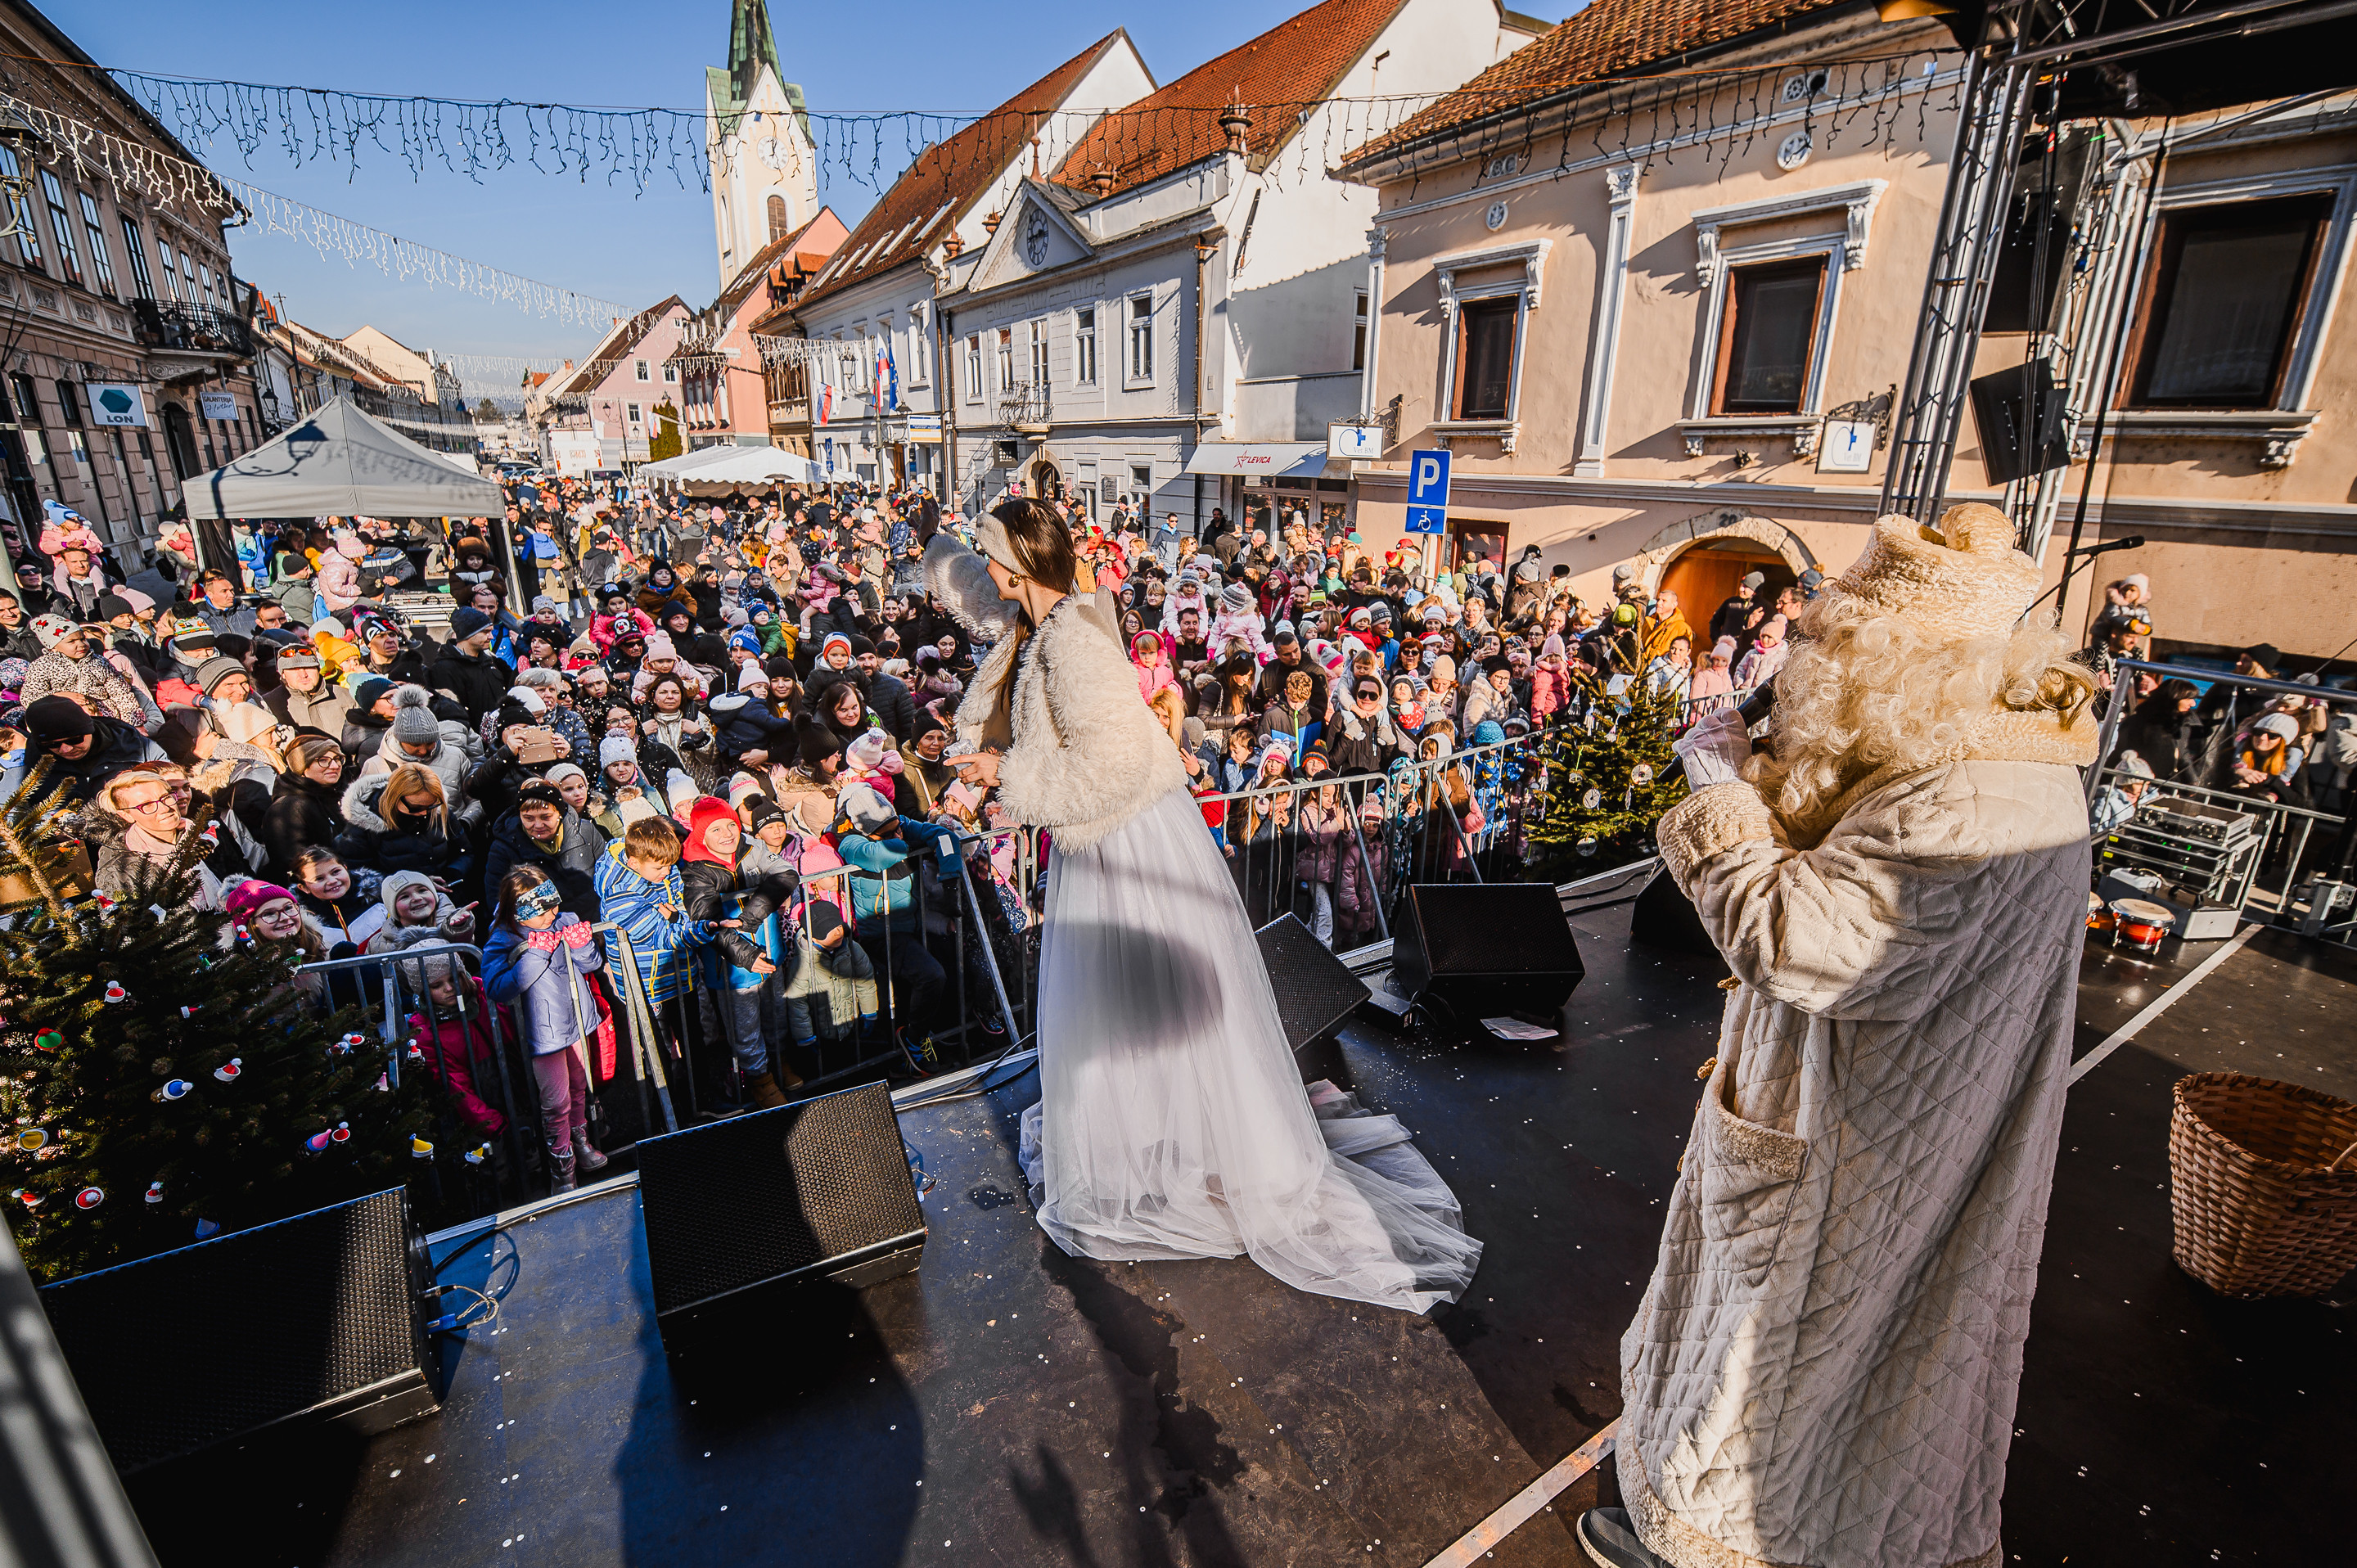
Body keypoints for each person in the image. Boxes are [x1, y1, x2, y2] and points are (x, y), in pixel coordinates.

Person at [1584, 505, 2101, 1568]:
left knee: (1766, 1367)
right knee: (1847, 1377)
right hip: (1900, 1126)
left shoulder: (1958, 798)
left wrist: (1718, 786)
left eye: (1827, 647)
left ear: (1892, 661)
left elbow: (1796, 936)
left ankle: (1701, 1543)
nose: (1806, 663)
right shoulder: (1990, 757)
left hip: (1851, 1145)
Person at [922, 498, 1479, 1312]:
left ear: (1018, 561)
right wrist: (941, 554)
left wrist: (1001, 777)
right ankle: (1148, 1144)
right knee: (1128, 1010)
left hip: (1127, 842)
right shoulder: (1047, 619)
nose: (982, 565)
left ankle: (1174, 1155)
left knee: (1140, 1006)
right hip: (1105, 843)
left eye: (988, 551)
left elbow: (1115, 767)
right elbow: (982, 595)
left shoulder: (1073, 639)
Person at [481, 867, 609, 1193]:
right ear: (519, 910)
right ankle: (561, 1168)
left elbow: (590, 964)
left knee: (580, 1086)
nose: (553, 912)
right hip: (542, 1034)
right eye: (544, 908)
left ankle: (580, 1144)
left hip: (576, 1020)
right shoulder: (503, 937)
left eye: (555, 903)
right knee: (556, 1100)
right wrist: (536, 954)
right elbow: (497, 988)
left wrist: (582, 946)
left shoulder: (563, 919)